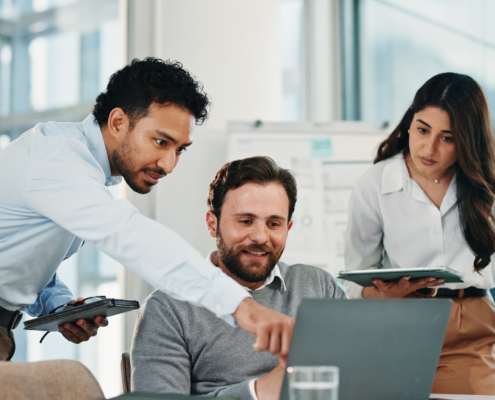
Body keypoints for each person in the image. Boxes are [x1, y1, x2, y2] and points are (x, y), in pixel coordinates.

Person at [0, 58, 294, 361]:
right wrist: (243, 307)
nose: (169, 164)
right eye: (160, 141)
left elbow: (16, 254)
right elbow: (130, 233)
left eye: (179, 149)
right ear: (117, 122)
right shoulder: (57, 160)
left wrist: (58, 305)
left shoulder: (79, 172)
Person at [130, 156, 346, 400]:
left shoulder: (319, 287)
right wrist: (259, 391)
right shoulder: (168, 309)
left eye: (274, 224)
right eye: (245, 221)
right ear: (213, 224)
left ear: (288, 228)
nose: (260, 237)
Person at [345, 72, 495, 395]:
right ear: (409, 123)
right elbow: (355, 280)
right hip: (401, 322)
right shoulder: (375, 184)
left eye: (448, 138)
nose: (429, 148)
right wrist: (382, 294)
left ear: (467, 141)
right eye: (422, 130)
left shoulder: (484, 186)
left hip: (471, 328)